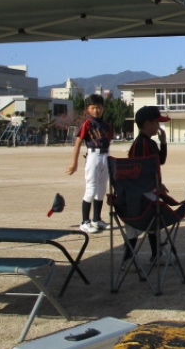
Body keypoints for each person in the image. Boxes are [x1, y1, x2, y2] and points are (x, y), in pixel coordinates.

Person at [122, 106, 171, 267]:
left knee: (149, 223)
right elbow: (141, 172)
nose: (159, 126)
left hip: (143, 192)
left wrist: (163, 142)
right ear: (147, 123)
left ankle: (153, 254)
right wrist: (157, 185)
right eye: (157, 122)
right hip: (141, 193)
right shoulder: (142, 144)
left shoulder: (148, 142)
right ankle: (134, 258)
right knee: (151, 218)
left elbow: (160, 161)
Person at [66, 94, 113, 234]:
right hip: (93, 156)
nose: (96, 110)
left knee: (101, 190)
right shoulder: (87, 124)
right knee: (91, 189)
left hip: (105, 156)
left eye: (99, 108)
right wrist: (74, 163)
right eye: (93, 108)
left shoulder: (107, 126)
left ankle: (96, 219)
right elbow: (78, 143)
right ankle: (85, 222)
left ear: (103, 108)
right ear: (88, 109)